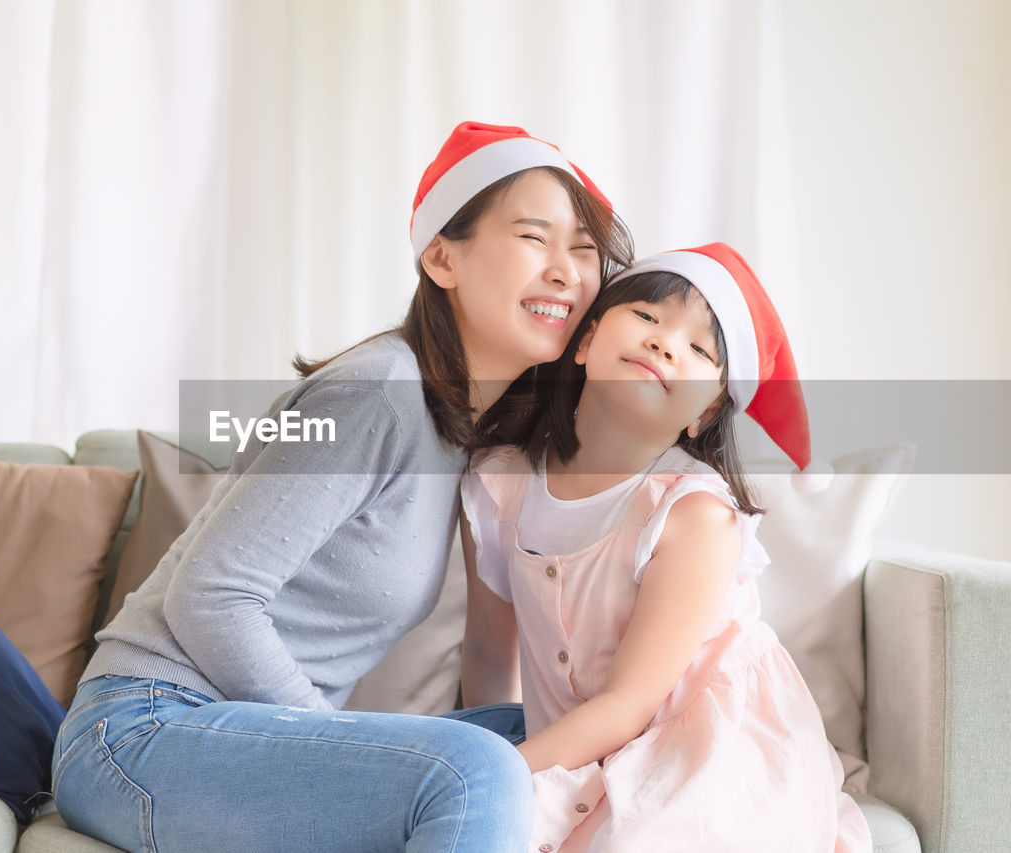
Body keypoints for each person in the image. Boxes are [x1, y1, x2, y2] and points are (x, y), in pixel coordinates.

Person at [50, 121, 634, 852]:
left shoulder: (468, 432)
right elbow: (212, 595)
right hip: (142, 732)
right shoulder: (373, 390)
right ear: (442, 257)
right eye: (533, 237)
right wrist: (341, 741)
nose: (565, 270)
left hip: (241, 734)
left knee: (561, 733)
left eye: (583, 249)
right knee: (477, 768)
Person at [460, 243, 872, 852]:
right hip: (580, 741)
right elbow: (492, 656)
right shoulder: (503, 483)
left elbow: (628, 706)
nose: (664, 343)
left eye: (699, 348)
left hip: (706, 747)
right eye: (648, 317)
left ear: (705, 413)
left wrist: (493, 777)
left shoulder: (694, 514)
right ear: (585, 340)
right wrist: (488, 769)